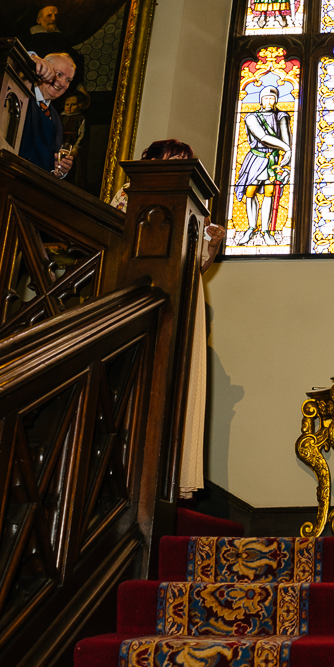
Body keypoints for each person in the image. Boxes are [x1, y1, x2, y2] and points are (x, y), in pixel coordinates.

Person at [126, 138, 226, 500]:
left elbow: (196, 264)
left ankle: (174, 478)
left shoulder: (194, 205)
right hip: (141, 291)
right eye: (175, 162)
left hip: (184, 297)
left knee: (179, 381)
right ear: (152, 161)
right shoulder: (129, 193)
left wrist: (211, 246)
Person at [234, 87, 292, 245]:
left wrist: (286, 161)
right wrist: (285, 148)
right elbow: (263, 137)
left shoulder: (282, 116)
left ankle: (265, 230)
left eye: (272, 98)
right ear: (261, 99)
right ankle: (251, 227)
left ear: (276, 100)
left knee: (270, 192)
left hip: (273, 160)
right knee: (250, 191)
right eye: (266, 98)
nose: (269, 101)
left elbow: (287, 140)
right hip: (256, 158)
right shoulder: (251, 117)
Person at [18, 52, 77, 179]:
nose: (62, 83)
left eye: (68, 80)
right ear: (43, 68)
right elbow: (14, 64)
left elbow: (51, 163)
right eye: (59, 74)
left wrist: (60, 171)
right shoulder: (20, 91)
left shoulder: (56, 119)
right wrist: (33, 59)